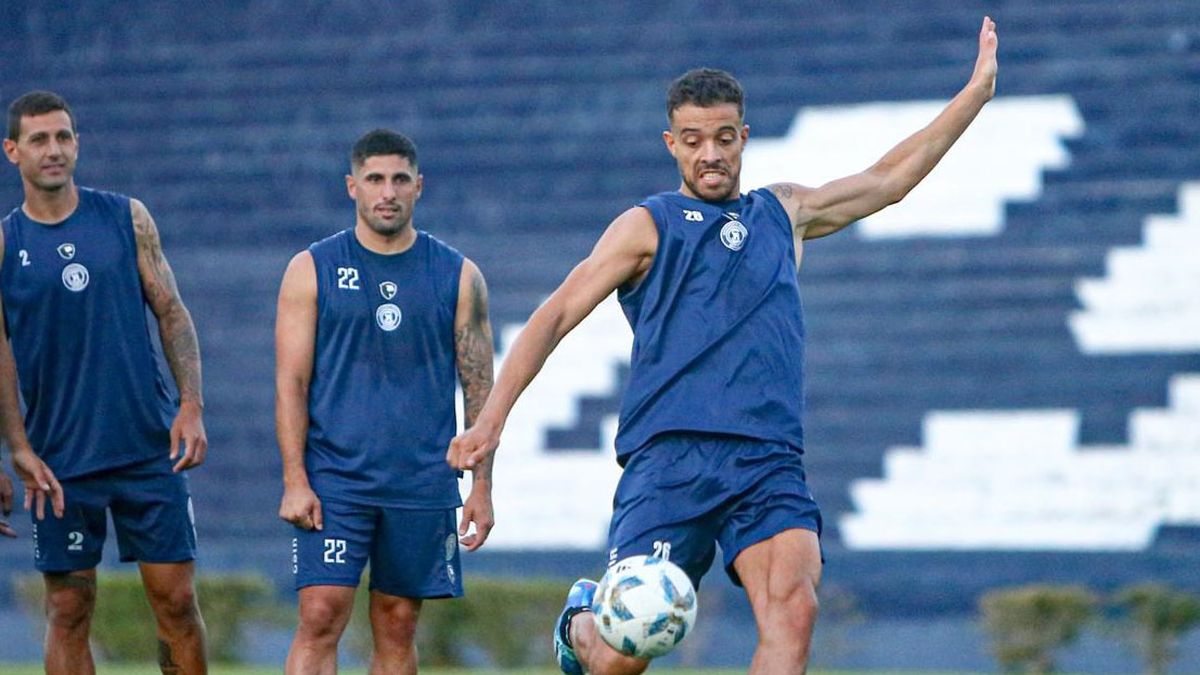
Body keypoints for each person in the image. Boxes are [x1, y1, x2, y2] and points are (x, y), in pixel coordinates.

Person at [448, 17, 999, 675]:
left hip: (767, 461)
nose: (710, 153)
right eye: (692, 140)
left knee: (793, 612)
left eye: (723, 137)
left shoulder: (785, 212)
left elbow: (890, 179)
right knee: (622, 658)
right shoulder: (647, 225)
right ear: (672, 145)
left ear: (743, 136)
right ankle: (584, 623)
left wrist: (975, 94)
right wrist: (492, 419)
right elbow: (557, 311)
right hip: (670, 460)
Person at [1, 91, 209, 674]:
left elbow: (171, 311)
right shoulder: (4, 244)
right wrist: (13, 448)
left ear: (77, 144)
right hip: (59, 459)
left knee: (176, 602)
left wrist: (190, 404)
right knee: (68, 607)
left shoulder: (126, 217)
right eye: (39, 139)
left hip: (147, 447)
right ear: (12, 150)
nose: (54, 150)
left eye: (64, 137)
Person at [276, 128, 496, 675]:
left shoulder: (458, 275)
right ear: (352, 186)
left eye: (400, 179)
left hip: (420, 479)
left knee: (398, 621)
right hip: (337, 477)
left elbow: (480, 393)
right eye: (375, 179)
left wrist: (483, 487)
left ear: (419, 187)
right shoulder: (312, 268)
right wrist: (294, 479)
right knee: (321, 613)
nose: (388, 192)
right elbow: (290, 383)